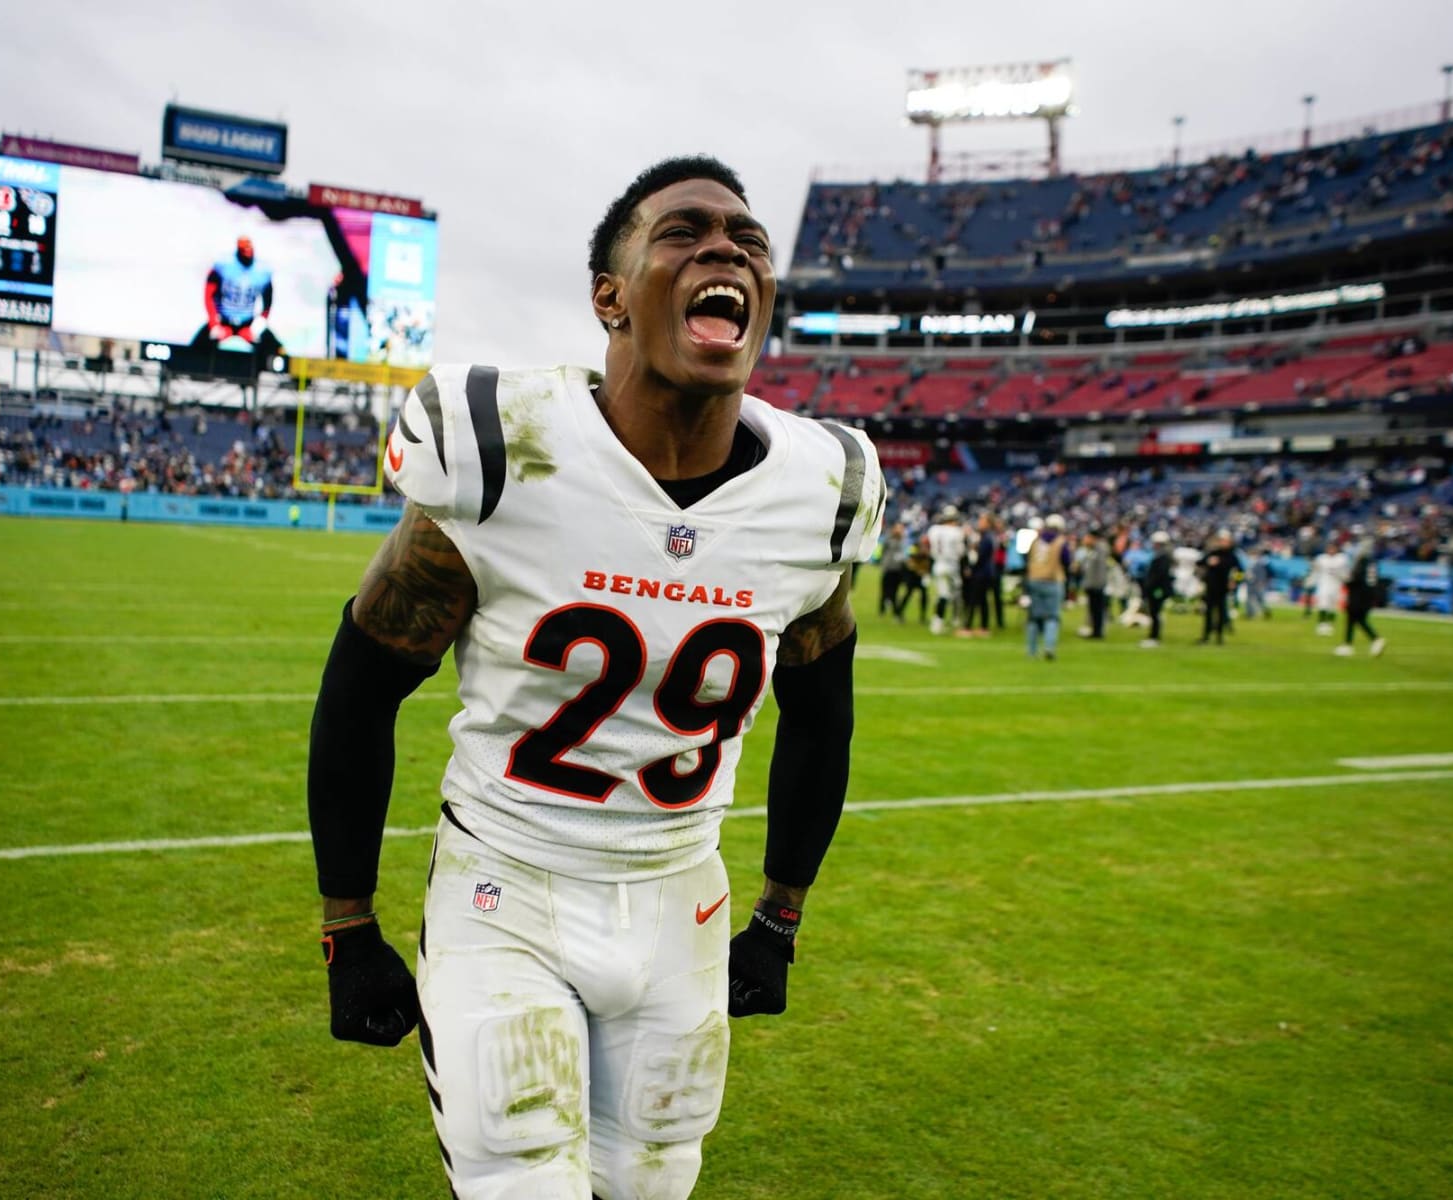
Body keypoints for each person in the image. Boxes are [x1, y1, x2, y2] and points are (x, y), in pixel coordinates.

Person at [306, 156, 884, 1200]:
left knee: (652, 1188)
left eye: (748, 242)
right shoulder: (505, 444)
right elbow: (361, 685)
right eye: (683, 232)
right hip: (507, 889)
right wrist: (347, 923)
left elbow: (822, 712)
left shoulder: (820, 486)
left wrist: (781, 913)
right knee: (519, 1182)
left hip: (681, 902)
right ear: (607, 298)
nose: (725, 249)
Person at [198, 236, 276, 350]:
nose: (247, 252)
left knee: (277, 350)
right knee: (195, 349)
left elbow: (268, 303)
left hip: (248, 322)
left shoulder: (263, 272)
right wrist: (215, 325)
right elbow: (208, 295)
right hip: (223, 319)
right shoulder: (222, 266)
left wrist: (255, 328)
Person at [1024, 513, 1070, 659]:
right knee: (1052, 617)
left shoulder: (1035, 540)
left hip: (1034, 579)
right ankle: (1049, 647)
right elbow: (1066, 561)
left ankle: (1031, 651)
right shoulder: (1061, 542)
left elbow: (1026, 558)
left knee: (1033, 617)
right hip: (1053, 581)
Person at [1336, 529, 1387, 657]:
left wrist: (1344, 579)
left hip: (1358, 595)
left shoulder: (1362, 561)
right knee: (1357, 619)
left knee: (1354, 618)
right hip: (1368, 595)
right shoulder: (1373, 561)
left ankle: (1353, 644)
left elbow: (1355, 579)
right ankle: (1363, 642)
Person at [1196, 529, 1241, 645]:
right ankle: (1205, 636)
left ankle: (1219, 638)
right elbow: (1200, 562)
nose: (1222, 543)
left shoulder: (1232, 556)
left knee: (1221, 613)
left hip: (1222, 588)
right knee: (1208, 613)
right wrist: (1208, 561)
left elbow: (1240, 571)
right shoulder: (1213, 553)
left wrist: (1235, 582)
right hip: (1211, 587)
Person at [927, 505, 964, 633]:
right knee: (956, 594)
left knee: (942, 595)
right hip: (952, 565)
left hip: (938, 565)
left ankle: (938, 622)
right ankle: (956, 619)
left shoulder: (934, 530)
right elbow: (960, 552)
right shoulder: (957, 532)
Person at [1305, 538, 1349, 635]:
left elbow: (1345, 573)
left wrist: (1345, 580)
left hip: (1336, 585)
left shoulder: (1342, 559)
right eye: (1329, 548)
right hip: (1324, 585)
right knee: (1323, 604)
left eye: (1333, 548)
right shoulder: (1321, 558)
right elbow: (1315, 570)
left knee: (1332, 606)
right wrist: (1310, 581)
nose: (1331, 550)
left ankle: (1329, 624)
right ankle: (1321, 624)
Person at [1141, 531, 1174, 648]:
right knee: (1154, 613)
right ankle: (1153, 635)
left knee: (1155, 613)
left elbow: (1159, 576)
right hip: (1157, 589)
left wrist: (1151, 587)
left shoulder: (1163, 557)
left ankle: (1154, 637)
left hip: (1157, 590)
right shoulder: (1162, 556)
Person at [1076, 527, 1110, 639]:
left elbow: (1099, 570)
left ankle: (1098, 632)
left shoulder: (1100, 550)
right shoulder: (1094, 550)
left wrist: (1097, 584)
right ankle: (1095, 630)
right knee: (1093, 609)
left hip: (1097, 585)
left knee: (1097, 610)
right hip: (1093, 584)